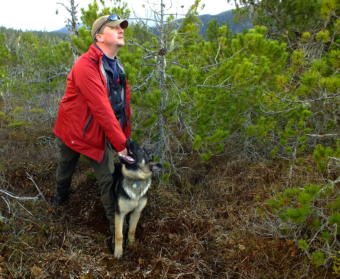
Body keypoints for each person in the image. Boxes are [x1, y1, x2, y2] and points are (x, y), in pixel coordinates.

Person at [53, 14, 134, 233]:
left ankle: (118, 233)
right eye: (113, 27)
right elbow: (102, 108)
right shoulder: (85, 66)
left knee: (108, 181)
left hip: (99, 133)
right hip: (74, 131)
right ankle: (59, 202)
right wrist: (121, 145)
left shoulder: (117, 66)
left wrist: (125, 137)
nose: (120, 30)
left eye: (121, 27)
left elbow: (122, 106)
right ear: (99, 36)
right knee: (65, 169)